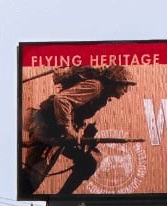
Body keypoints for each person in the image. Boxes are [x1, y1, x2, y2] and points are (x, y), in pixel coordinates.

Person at [21, 65, 136, 196]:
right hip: (47, 128)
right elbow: (62, 100)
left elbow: (77, 113)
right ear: (115, 82)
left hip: (59, 133)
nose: (126, 90)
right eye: (124, 85)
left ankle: (62, 199)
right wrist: (68, 129)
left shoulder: (103, 95)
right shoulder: (95, 86)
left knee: (89, 162)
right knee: (31, 182)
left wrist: (84, 132)